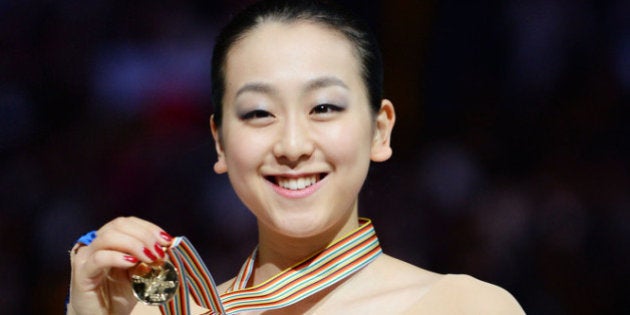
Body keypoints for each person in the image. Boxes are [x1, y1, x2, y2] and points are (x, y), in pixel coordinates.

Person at [67, 0, 525, 314]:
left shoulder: (463, 306)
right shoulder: (172, 311)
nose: (291, 145)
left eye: (323, 107)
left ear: (380, 129)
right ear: (220, 143)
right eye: (259, 112)